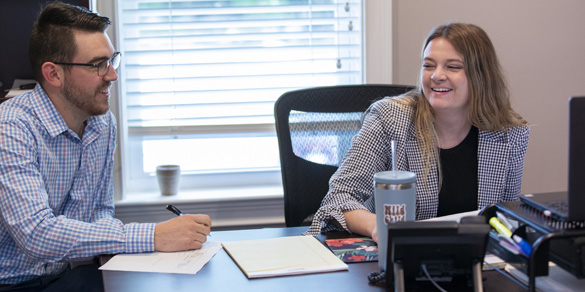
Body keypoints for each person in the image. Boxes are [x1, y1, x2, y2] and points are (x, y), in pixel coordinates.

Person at [0, 2, 211, 291]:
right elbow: (36, 235)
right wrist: (152, 236)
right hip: (11, 282)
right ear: (53, 74)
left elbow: (99, 211)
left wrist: (154, 243)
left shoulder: (102, 124)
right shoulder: (11, 127)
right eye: (98, 64)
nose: (112, 75)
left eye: (113, 61)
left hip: (63, 276)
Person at [305, 23, 529, 241]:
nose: (436, 75)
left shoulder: (509, 133)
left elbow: (506, 215)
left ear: (482, 76)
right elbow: (338, 199)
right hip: (401, 259)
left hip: (473, 261)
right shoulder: (389, 118)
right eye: (429, 65)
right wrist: (380, 228)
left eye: (453, 66)